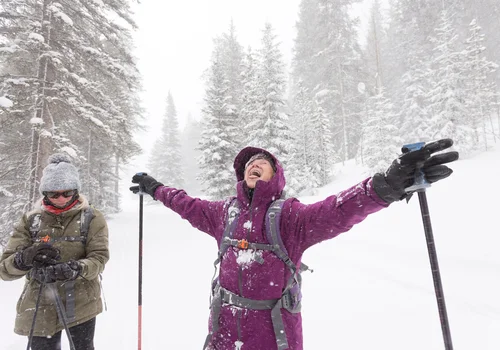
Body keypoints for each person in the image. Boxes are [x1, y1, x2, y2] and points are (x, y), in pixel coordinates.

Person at [131, 139, 458, 350]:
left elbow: (338, 209)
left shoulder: (289, 217)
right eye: (248, 163)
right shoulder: (223, 212)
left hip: (274, 339)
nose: (253, 164)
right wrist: (155, 187)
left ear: (276, 174)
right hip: (223, 335)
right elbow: (184, 203)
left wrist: (385, 187)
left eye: (262, 161)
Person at [0, 153, 109, 350]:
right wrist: (25, 258)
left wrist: (77, 268)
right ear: (45, 194)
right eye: (54, 194)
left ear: (76, 191)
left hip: (81, 301)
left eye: (67, 193)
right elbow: (4, 269)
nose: (61, 199)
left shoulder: (91, 218)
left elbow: (99, 258)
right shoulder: (31, 220)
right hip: (39, 303)